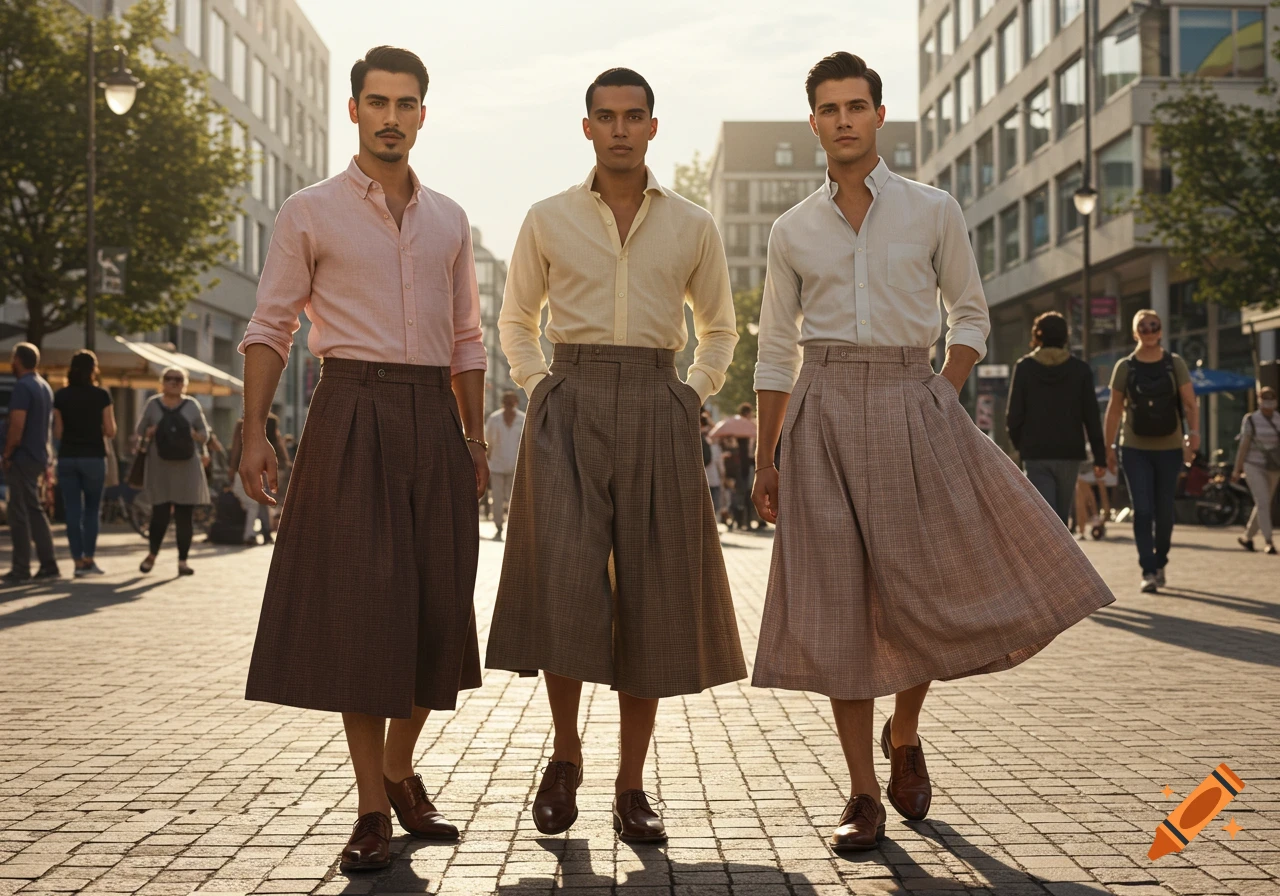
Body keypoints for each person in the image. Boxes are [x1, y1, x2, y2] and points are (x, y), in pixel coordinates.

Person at [749, 53, 1115, 853]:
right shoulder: (791, 230)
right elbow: (775, 351)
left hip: (912, 397)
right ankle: (861, 793)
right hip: (822, 406)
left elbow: (972, 315)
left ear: (879, 116)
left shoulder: (932, 209)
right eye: (828, 108)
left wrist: (940, 392)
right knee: (839, 603)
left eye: (856, 105)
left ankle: (904, 732)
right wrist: (764, 457)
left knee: (916, 588)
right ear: (812, 121)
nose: (843, 119)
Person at [237, 47, 489, 873]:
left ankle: (399, 762)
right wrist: (253, 432)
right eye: (376, 101)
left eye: (405, 103)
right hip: (349, 407)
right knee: (363, 611)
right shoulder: (308, 212)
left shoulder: (451, 219)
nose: (391, 116)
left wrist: (475, 435)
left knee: (439, 606)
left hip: (433, 417)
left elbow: (465, 339)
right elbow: (270, 326)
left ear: (423, 114)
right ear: (354, 111)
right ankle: (372, 806)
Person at [486, 67, 746, 844]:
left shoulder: (693, 224)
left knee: (651, 593)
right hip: (570, 398)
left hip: (658, 398)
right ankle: (566, 751)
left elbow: (722, 327)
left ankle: (632, 784)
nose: (622, 129)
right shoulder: (548, 217)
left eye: (635, 116)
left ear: (653, 127)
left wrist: (690, 392)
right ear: (588, 128)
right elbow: (514, 319)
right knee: (563, 581)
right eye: (607, 117)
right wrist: (541, 387)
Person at [1102, 309, 1199, 592]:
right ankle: (1148, 569)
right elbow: (1113, 410)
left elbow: (1191, 403)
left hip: (1170, 448)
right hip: (1134, 448)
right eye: (1143, 327)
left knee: (1165, 511)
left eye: (1154, 325)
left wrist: (1194, 436)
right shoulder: (1125, 366)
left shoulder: (1174, 364)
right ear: (1135, 333)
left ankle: (1160, 561)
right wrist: (1108, 448)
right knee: (1143, 510)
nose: (1149, 330)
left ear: (1161, 330)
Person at [1005, 311, 1107, 525]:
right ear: (1065, 337)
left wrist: (1021, 446)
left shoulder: (1024, 368)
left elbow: (1013, 416)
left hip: (1036, 453)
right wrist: (1100, 456)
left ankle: (1050, 557)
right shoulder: (1080, 370)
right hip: (1069, 452)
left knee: (1044, 518)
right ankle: (1062, 556)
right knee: (1060, 518)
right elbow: (1091, 416)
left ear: (1037, 336)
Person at [136, 367, 210, 576]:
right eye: (169, 379)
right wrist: (148, 432)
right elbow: (139, 430)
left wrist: (196, 435)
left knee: (184, 515)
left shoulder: (192, 405)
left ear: (184, 383)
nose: (174, 382)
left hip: (187, 467)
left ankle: (183, 561)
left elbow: (205, 434)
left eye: (178, 379)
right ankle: (152, 555)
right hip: (160, 466)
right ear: (162, 382)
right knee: (159, 514)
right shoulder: (153, 404)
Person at [53, 350, 118, 576]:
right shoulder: (101, 395)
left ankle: (77, 561)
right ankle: (89, 560)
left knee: (72, 510)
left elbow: (58, 433)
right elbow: (110, 431)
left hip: (68, 457)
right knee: (92, 510)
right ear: (94, 369)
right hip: (93, 458)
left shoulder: (60, 396)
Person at [2, 343, 59, 584]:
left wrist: (7, 453)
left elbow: (17, 425)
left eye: (13, 359)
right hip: (38, 455)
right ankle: (44, 564)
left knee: (21, 513)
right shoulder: (43, 386)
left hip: (23, 457)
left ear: (18, 359)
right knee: (30, 509)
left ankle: (26, 567)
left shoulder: (23, 387)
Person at [1232, 386, 1280, 554]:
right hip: (1253, 465)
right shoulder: (1251, 419)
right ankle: (1269, 541)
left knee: (1263, 504)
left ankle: (1247, 537)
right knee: (1263, 502)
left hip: (1274, 467)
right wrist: (1237, 469)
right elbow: (1243, 446)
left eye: (1271, 399)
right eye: (1265, 398)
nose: (1268, 402)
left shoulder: (1278, 419)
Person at [229, 414, 289, 545]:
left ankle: (254, 533)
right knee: (263, 501)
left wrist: (232, 468)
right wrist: (284, 463)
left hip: (248, 467)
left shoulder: (242, 424)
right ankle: (265, 533)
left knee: (257, 502)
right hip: (267, 468)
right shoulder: (271, 421)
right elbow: (278, 444)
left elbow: (236, 448)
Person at [484, 390, 524, 541]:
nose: (509, 406)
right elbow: (488, 442)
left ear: (516, 403)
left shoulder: (523, 419)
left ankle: (514, 528)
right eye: (506, 402)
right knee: (497, 498)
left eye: (511, 403)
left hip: (515, 466)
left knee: (514, 500)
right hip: (497, 465)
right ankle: (499, 527)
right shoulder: (494, 419)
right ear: (503, 403)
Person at [702, 413, 726, 521]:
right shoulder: (712, 445)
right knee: (713, 505)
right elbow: (718, 463)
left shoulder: (704, 440)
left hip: (707, 478)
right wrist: (722, 474)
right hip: (712, 479)